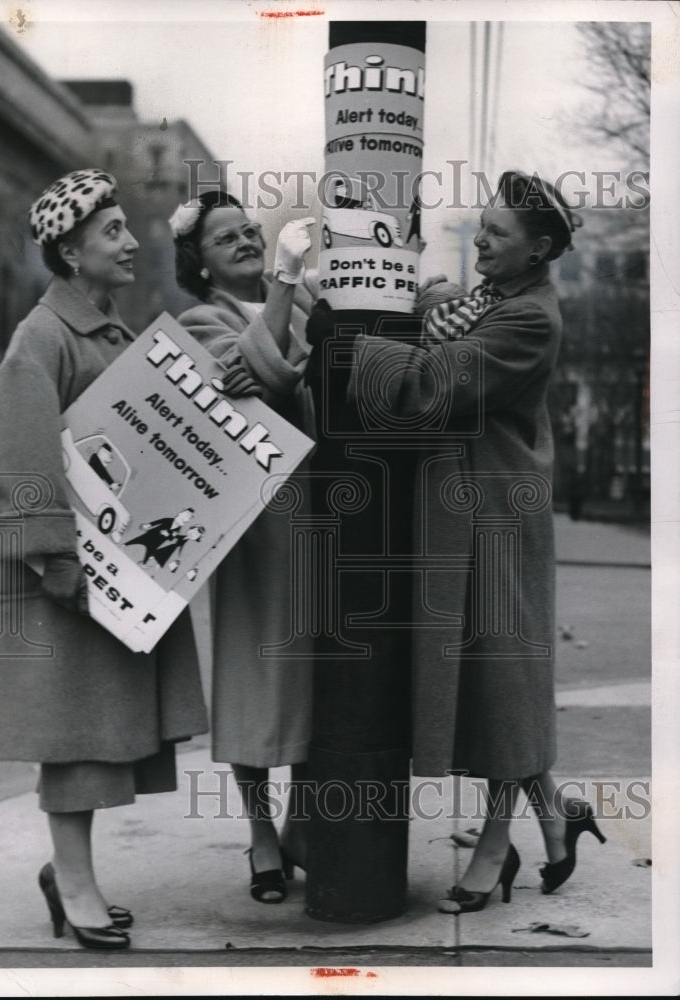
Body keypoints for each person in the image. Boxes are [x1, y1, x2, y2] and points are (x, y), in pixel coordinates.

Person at [307, 170, 605, 915]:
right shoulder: (489, 300)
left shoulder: (529, 320)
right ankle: (555, 818)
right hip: (464, 512)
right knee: (490, 683)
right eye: (480, 226)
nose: (479, 240)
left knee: (502, 685)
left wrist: (356, 337)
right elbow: (436, 322)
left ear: (538, 249)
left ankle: (492, 851)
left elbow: (432, 385)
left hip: (498, 516)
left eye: (496, 234)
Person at [0, 169, 208, 948]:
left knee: (97, 738)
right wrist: (60, 565)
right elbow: (17, 455)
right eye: (111, 232)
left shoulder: (106, 330)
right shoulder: (41, 338)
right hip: (66, 580)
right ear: (70, 253)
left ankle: (69, 877)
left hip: (110, 573)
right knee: (71, 739)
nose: (132, 240)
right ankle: (72, 884)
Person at [170, 190, 316, 903]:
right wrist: (285, 290)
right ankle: (260, 837)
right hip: (256, 529)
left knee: (322, 684)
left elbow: (265, 372)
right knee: (256, 682)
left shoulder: (310, 301)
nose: (246, 240)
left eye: (249, 229)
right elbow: (272, 376)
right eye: (224, 236)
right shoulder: (200, 320)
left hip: (326, 519)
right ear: (197, 264)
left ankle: (296, 830)